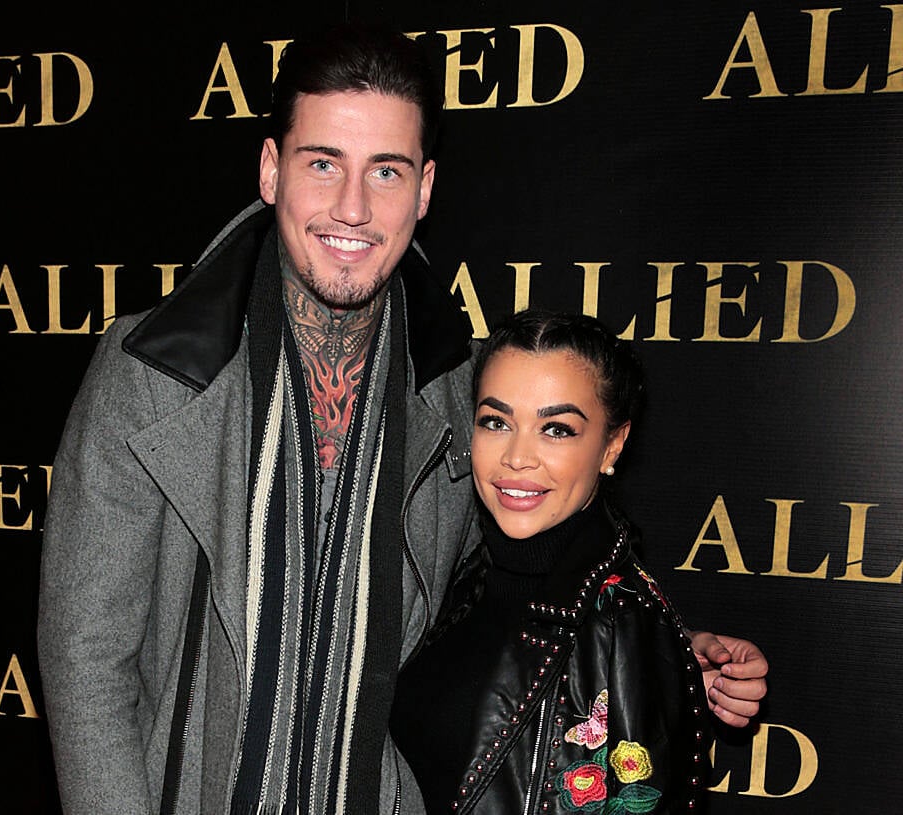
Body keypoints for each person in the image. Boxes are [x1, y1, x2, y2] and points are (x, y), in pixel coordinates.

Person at [37, 24, 767, 815]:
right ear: (272, 169)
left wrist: (647, 650)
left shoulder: (458, 387)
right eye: (324, 164)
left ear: (423, 189)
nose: (352, 207)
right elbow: (85, 664)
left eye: (386, 171)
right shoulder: (154, 372)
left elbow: (513, 577)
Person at [392, 311, 717, 814]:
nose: (517, 457)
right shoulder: (449, 575)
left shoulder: (626, 626)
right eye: (496, 422)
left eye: (557, 429)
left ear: (612, 443)